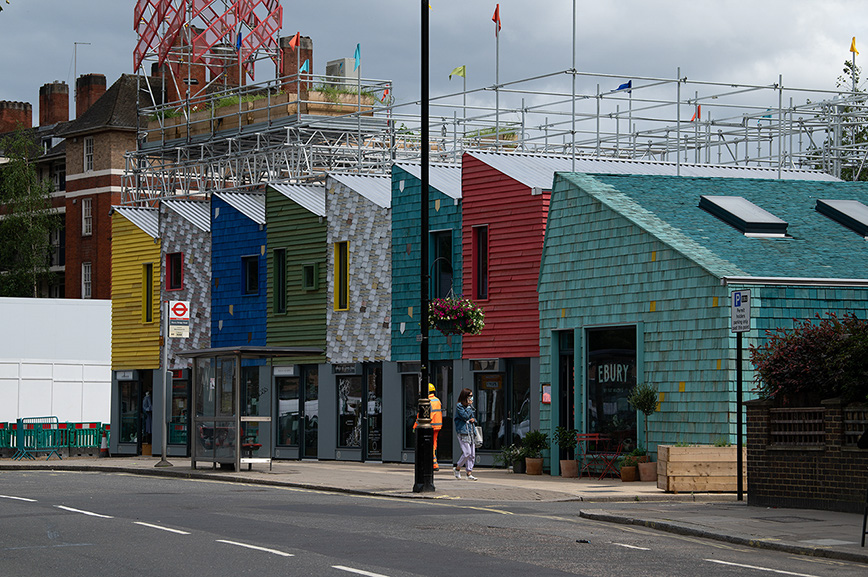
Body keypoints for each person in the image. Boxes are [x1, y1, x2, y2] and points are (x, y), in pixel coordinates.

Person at [413, 383, 443, 470]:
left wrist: (415, 426)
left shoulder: (426, 401)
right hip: (437, 425)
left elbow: (421, 415)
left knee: (428, 445)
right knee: (433, 444)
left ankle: (433, 464)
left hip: (429, 426)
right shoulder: (437, 400)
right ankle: (433, 463)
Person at [453, 387, 478, 480]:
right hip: (463, 432)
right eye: (470, 396)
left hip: (471, 431)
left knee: (472, 454)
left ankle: (469, 473)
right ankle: (458, 468)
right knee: (467, 453)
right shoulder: (460, 406)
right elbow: (465, 416)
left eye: (472, 396)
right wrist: (469, 407)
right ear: (465, 396)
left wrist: (474, 419)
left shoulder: (470, 407)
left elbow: (472, 417)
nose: (471, 398)